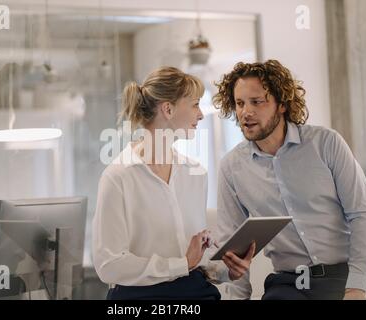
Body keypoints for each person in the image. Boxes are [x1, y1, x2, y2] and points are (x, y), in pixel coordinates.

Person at [212, 59, 366, 300]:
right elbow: (233, 250)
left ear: (281, 104)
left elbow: (362, 214)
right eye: (239, 103)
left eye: (257, 102)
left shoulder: (326, 143)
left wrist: (357, 286)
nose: (245, 112)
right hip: (288, 285)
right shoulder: (232, 167)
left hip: (345, 277)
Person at [92, 66, 253, 300]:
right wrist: (181, 264)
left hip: (195, 292)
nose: (200, 115)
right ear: (168, 109)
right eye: (195, 104)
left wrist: (228, 270)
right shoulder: (118, 177)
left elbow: (194, 261)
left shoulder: (195, 173)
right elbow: (109, 265)